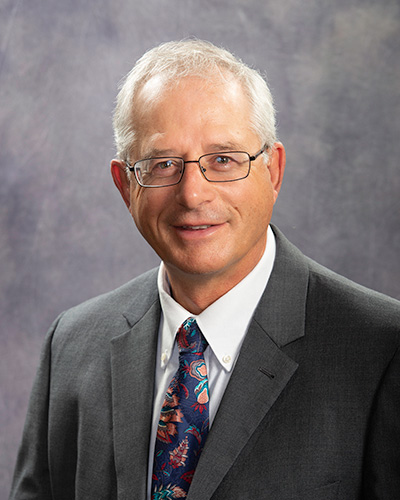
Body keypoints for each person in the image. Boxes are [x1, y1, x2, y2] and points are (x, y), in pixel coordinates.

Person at [9, 39, 400, 500]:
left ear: (273, 171)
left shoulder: (381, 351)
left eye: (223, 160)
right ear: (124, 185)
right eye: (163, 164)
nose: (193, 194)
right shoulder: (71, 346)